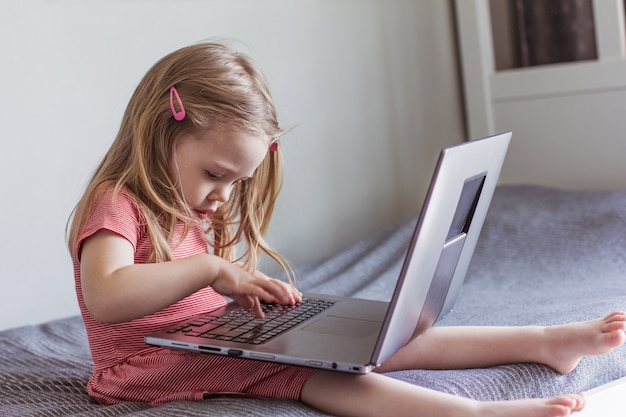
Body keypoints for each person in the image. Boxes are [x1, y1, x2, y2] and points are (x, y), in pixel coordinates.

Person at [67, 41, 626, 417]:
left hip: (202, 339)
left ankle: (546, 343)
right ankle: (473, 413)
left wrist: (234, 302)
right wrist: (213, 270)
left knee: (378, 338)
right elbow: (109, 295)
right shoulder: (115, 202)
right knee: (314, 375)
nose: (224, 195)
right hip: (141, 367)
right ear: (163, 128)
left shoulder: (189, 207)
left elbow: (179, 302)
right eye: (215, 174)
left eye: (238, 181)